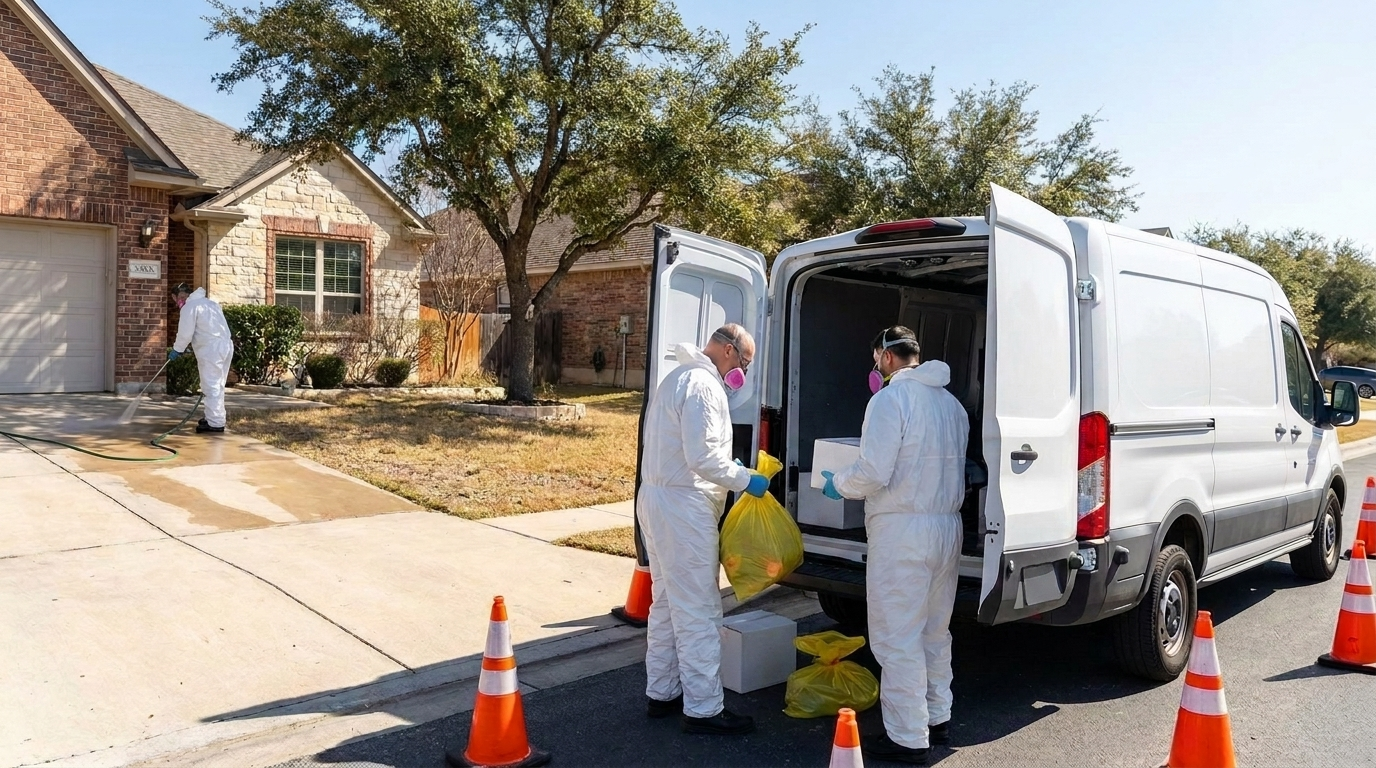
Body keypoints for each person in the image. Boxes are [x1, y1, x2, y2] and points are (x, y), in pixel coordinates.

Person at [821, 326, 969, 765]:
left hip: (902, 531)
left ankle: (907, 737)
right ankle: (936, 718)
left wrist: (839, 485)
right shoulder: (952, 405)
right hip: (946, 527)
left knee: (896, 637)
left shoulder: (889, 400)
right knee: (933, 631)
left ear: (886, 357)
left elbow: (873, 471)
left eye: (875, 359)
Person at [638, 323, 770, 735]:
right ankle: (705, 709)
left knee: (665, 604)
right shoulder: (704, 385)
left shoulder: (678, 376)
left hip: (656, 500)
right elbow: (704, 458)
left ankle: (662, 693)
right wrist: (747, 479)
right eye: (745, 363)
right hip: (684, 508)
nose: (743, 374)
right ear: (729, 351)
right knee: (698, 611)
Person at [168, 283, 234, 434]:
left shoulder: (189, 307)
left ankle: (215, 423)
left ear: (176, 297)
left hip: (211, 349)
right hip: (225, 346)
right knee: (217, 385)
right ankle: (214, 417)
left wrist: (177, 349)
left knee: (211, 385)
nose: (180, 301)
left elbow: (185, 334)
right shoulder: (211, 304)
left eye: (180, 298)